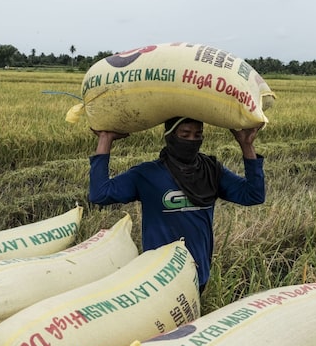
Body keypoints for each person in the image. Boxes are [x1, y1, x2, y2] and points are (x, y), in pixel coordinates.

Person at [88, 117, 265, 293]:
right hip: (158, 277)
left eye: (198, 135)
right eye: (185, 135)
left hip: (198, 273)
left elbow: (253, 195)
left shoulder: (211, 172)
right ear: (170, 136)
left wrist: (246, 145)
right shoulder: (148, 174)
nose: (192, 141)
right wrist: (105, 140)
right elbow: (100, 194)